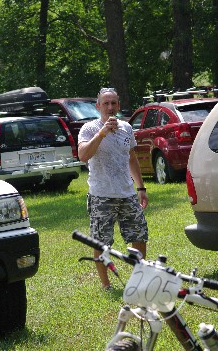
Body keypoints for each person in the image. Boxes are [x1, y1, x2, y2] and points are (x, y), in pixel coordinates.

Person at [77, 87, 149, 290]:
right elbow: (83, 155)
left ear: (118, 105)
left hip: (127, 194)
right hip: (102, 195)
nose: (110, 107)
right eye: (106, 103)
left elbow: (131, 158)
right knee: (101, 242)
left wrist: (140, 187)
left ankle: (138, 280)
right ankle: (106, 285)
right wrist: (102, 133)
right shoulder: (89, 129)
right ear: (98, 106)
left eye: (113, 103)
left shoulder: (126, 128)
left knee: (139, 236)